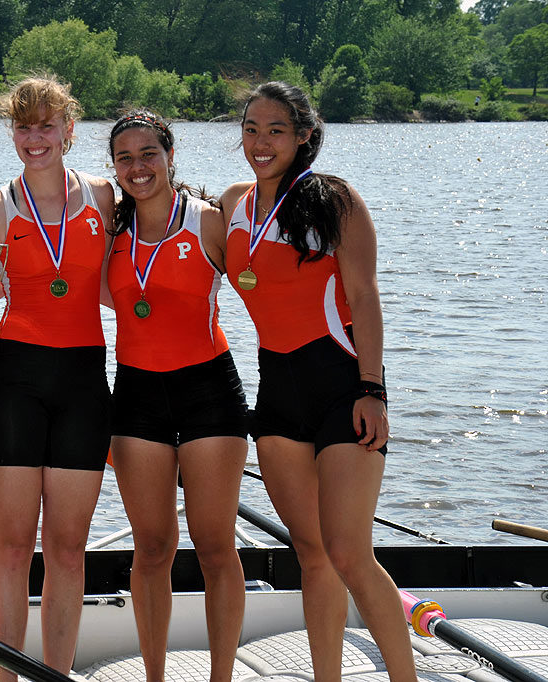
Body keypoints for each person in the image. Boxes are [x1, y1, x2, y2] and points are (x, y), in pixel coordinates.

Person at [220, 81, 418, 682]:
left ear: (304, 135)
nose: (261, 142)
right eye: (251, 129)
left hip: (343, 388)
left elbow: (365, 297)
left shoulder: (334, 199)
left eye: (276, 130)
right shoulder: (232, 203)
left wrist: (373, 389)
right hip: (277, 392)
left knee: (352, 554)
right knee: (312, 555)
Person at [0, 75, 115, 681]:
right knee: (11, 547)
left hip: (84, 382)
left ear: (69, 131)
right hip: (14, 383)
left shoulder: (106, 199)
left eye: (46, 126)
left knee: (67, 551)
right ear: (13, 134)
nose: (35, 138)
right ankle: (7, 677)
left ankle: (55, 674)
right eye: (24, 127)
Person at [106, 111, 249, 682]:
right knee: (153, 549)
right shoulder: (110, 232)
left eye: (149, 155)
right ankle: (155, 676)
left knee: (215, 547)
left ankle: (221, 677)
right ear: (113, 168)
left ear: (170, 156)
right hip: (137, 395)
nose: (138, 168)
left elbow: (273, 295)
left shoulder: (211, 223)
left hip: (209, 390)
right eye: (125, 158)